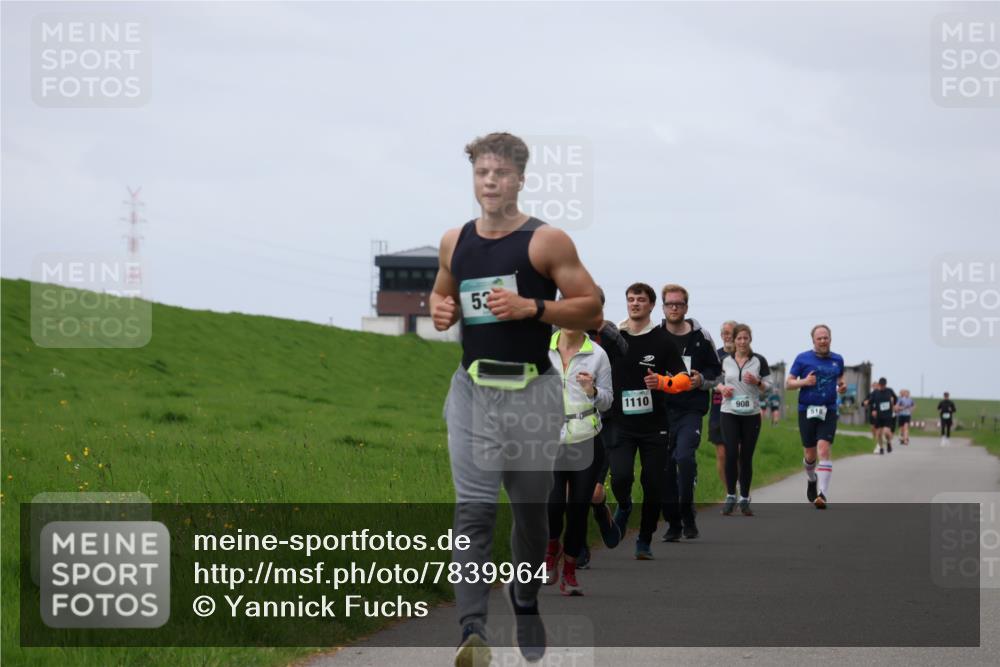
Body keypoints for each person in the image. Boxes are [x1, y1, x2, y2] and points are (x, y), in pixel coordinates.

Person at [431, 132, 602, 667]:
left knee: (531, 516)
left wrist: (533, 308)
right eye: (482, 173)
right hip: (472, 392)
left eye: (500, 174)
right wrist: (440, 309)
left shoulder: (546, 242)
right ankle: (471, 632)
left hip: (532, 392)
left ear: (520, 180)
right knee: (474, 510)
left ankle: (523, 597)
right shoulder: (454, 240)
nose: (490, 182)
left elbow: (592, 309)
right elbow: (443, 288)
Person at [607, 282, 690, 561]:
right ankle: (625, 504)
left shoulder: (662, 340)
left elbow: (683, 378)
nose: (635, 304)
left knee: (653, 483)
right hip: (620, 422)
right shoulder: (613, 337)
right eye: (630, 299)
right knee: (620, 477)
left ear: (652, 305)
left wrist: (663, 382)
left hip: (655, 425)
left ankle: (644, 538)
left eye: (641, 299)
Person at [545, 325, 612, 596]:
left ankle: (570, 573)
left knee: (577, 510)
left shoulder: (597, 354)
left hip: (585, 438)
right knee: (552, 503)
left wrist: (592, 390)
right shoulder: (542, 350)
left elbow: (608, 401)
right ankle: (552, 549)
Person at [658, 284, 722, 541]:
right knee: (664, 468)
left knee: (684, 458)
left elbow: (716, 372)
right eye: (670, 304)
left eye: (679, 304)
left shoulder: (701, 336)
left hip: (690, 410)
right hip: (660, 411)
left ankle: (687, 511)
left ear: (686, 307)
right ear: (663, 307)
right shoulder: (654, 335)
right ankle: (674, 523)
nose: (674, 308)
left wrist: (701, 381)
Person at [575, 288, 629, 571]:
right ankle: (579, 547)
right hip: (576, 425)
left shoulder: (607, 334)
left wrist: (606, 332)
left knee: (595, 492)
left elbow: (624, 352)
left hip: (607, 420)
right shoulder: (561, 338)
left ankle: (602, 513)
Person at [786, 324, 847, 509]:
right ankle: (812, 479)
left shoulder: (838, 359)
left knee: (823, 449)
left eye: (825, 337)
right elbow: (788, 384)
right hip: (806, 409)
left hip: (828, 410)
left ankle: (822, 494)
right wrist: (805, 381)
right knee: (810, 454)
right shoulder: (802, 358)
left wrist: (841, 387)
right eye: (819, 338)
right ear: (813, 340)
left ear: (830, 339)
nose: (823, 341)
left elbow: (840, 380)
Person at [716, 324, 771, 516]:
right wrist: (722, 389)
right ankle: (731, 495)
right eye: (738, 338)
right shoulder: (724, 360)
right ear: (733, 340)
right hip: (729, 412)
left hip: (751, 414)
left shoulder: (759, 361)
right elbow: (714, 380)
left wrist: (757, 382)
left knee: (745, 457)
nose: (741, 342)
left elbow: (769, 386)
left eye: (745, 338)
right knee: (731, 454)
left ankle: (745, 499)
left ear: (750, 339)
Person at [708, 321, 737, 487]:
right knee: (722, 454)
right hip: (718, 409)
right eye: (725, 333)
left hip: (741, 410)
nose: (728, 336)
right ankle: (730, 492)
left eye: (732, 333)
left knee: (737, 453)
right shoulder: (714, 356)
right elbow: (708, 378)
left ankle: (741, 487)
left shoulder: (747, 356)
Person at [868, 378, 897, 455]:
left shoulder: (889, 391)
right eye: (880, 385)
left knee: (886, 432)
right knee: (879, 434)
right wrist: (873, 409)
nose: (882, 387)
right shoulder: (876, 393)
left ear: (885, 385)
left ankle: (888, 442)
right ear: (879, 385)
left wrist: (894, 405)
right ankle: (881, 448)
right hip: (879, 416)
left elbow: (895, 398)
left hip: (887, 415)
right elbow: (872, 401)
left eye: (883, 385)